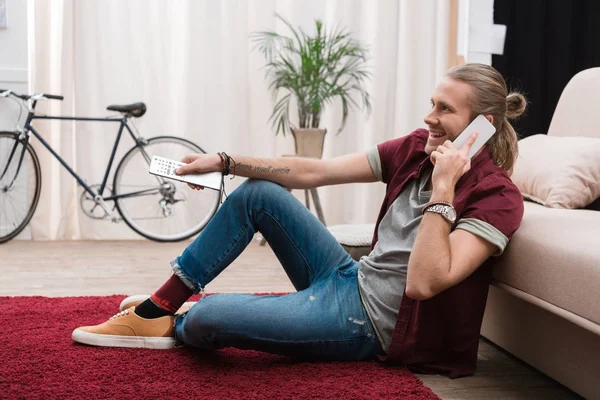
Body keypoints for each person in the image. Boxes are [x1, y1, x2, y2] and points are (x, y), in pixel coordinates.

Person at [72, 63, 526, 377]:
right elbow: (315, 170)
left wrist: (444, 188)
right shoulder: (414, 148)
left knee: (209, 319)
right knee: (260, 195)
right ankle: (160, 307)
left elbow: (423, 284)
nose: (429, 118)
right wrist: (225, 161)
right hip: (349, 277)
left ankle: (181, 315)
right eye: (432, 103)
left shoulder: (497, 199)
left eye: (445, 110)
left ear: (480, 126)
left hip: (371, 324)